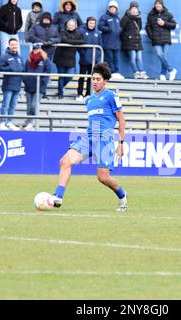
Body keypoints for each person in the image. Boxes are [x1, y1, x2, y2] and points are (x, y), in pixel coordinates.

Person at [50, 62, 128, 212]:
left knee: (103, 178)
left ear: (105, 81)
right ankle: (58, 197)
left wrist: (121, 143)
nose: (95, 82)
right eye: (93, 79)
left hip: (104, 139)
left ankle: (123, 196)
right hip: (89, 138)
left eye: (98, 79)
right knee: (65, 161)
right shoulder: (90, 100)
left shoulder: (111, 96)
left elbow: (121, 119)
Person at [53, 19, 85, 99]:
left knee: (70, 76)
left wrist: (74, 42)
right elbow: (65, 40)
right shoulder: (62, 32)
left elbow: (83, 41)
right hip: (60, 58)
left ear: (75, 26)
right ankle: (60, 93)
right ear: (67, 25)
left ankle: (60, 87)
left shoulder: (78, 33)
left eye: (73, 25)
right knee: (61, 76)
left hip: (71, 59)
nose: (71, 26)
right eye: (69, 25)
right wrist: (77, 42)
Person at [146, 0, 177, 81]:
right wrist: (151, 36)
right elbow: (147, 26)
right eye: (156, 4)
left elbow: (174, 25)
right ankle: (171, 70)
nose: (157, 5)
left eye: (159, 4)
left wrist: (164, 24)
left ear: (162, 5)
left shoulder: (168, 14)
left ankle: (162, 74)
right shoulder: (151, 15)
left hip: (166, 39)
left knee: (164, 56)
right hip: (156, 39)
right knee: (160, 54)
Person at [23, 43, 50, 131]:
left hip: (39, 87)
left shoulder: (45, 60)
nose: (35, 50)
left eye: (37, 49)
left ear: (40, 49)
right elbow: (24, 71)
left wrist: (43, 82)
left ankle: (32, 122)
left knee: (34, 105)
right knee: (29, 105)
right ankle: (28, 121)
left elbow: (48, 72)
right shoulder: (29, 60)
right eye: (34, 49)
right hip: (29, 85)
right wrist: (26, 80)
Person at [0, 38, 24, 130]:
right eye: (12, 44)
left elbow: (22, 70)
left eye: (16, 44)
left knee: (13, 105)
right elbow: (0, 69)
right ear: (9, 45)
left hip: (17, 85)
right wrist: (10, 69)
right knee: (5, 104)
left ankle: (9, 122)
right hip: (8, 85)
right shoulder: (4, 56)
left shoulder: (20, 57)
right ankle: (2, 122)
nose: (14, 46)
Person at [120, 1, 149, 79]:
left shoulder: (138, 18)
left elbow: (139, 28)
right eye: (133, 8)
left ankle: (142, 72)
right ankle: (136, 72)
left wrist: (137, 18)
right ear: (130, 9)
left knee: (139, 58)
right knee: (132, 58)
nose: (134, 10)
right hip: (129, 42)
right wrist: (127, 37)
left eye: (135, 8)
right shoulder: (126, 17)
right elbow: (121, 27)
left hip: (137, 41)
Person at [77, 16, 102, 101]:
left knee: (90, 78)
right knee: (82, 77)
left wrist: (97, 56)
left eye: (93, 23)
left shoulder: (97, 33)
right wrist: (82, 53)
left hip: (93, 60)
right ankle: (80, 94)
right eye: (90, 23)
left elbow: (100, 46)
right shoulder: (82, 31)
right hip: (84, 59)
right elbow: (79, 45)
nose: (91, 25)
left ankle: (88, 94)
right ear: (87, 23)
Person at [98, 1, 123, 80]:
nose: (112, 9)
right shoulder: (104, 17)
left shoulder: (118, 18)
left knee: (116, 58)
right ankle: (111, 73)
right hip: (107, 43)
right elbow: (100, 26)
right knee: (109, 59)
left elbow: (120, 29)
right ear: (109, 8)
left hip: (116, 43)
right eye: (111, 8)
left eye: (114, 8)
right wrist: (108, 29)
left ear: (116, 9)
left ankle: (117, 72)